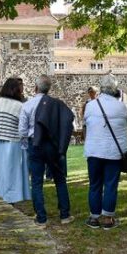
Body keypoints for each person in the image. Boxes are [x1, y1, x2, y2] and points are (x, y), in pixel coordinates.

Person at [19, 75, 75, 226]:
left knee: (36, 182)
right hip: (52, 145)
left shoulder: (27, 105)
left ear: (35, 88)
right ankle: (64, 215)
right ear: (48, 89)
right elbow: (68, 120)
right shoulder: (56, 104)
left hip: (34, 144)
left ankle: (41, 218)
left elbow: (22, 131)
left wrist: (26, 146)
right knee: (59, 179)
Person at [83, 74, 127, 230]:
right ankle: (108, 219)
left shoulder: (90, 105)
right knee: (110, 185)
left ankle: (94, 217)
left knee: (95, 184)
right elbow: (126, 122)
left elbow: (86, 122)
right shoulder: (121, 106)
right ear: (115, 89)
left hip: (94, 150)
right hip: (113, 152)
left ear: (101, 88)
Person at [0, 77, 31, 203]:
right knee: (12, 172)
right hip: (13, 143)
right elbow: (23, 129)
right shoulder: (19, 106)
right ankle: (12, 197)